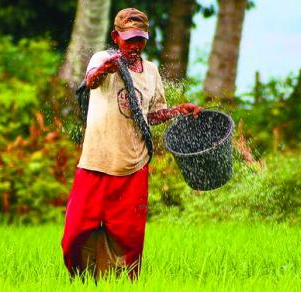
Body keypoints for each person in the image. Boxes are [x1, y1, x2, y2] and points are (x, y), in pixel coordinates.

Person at [61, 7, 201, 281]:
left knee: (129, 240)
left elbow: (151, 115)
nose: (135, 46)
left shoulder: (150, 72)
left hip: (133, 167)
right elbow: (90, 81)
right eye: (130, 39)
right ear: (116, 36)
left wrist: (176, 111)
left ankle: (118, 283)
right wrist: (106, 68)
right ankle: (81, 280)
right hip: (96, 163)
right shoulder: (104, 58)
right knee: (75, 233)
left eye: (141, 39)